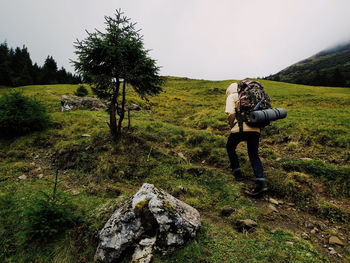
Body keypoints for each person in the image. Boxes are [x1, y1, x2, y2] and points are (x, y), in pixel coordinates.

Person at [225, 82, 268, 197]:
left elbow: (231, 114)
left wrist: (231, 125)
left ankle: (237, 173)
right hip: (255, 129)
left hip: (239, 128)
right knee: (253, 154)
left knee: (230, 147)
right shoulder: (252, 95)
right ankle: (261, 182)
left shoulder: (232, 96)